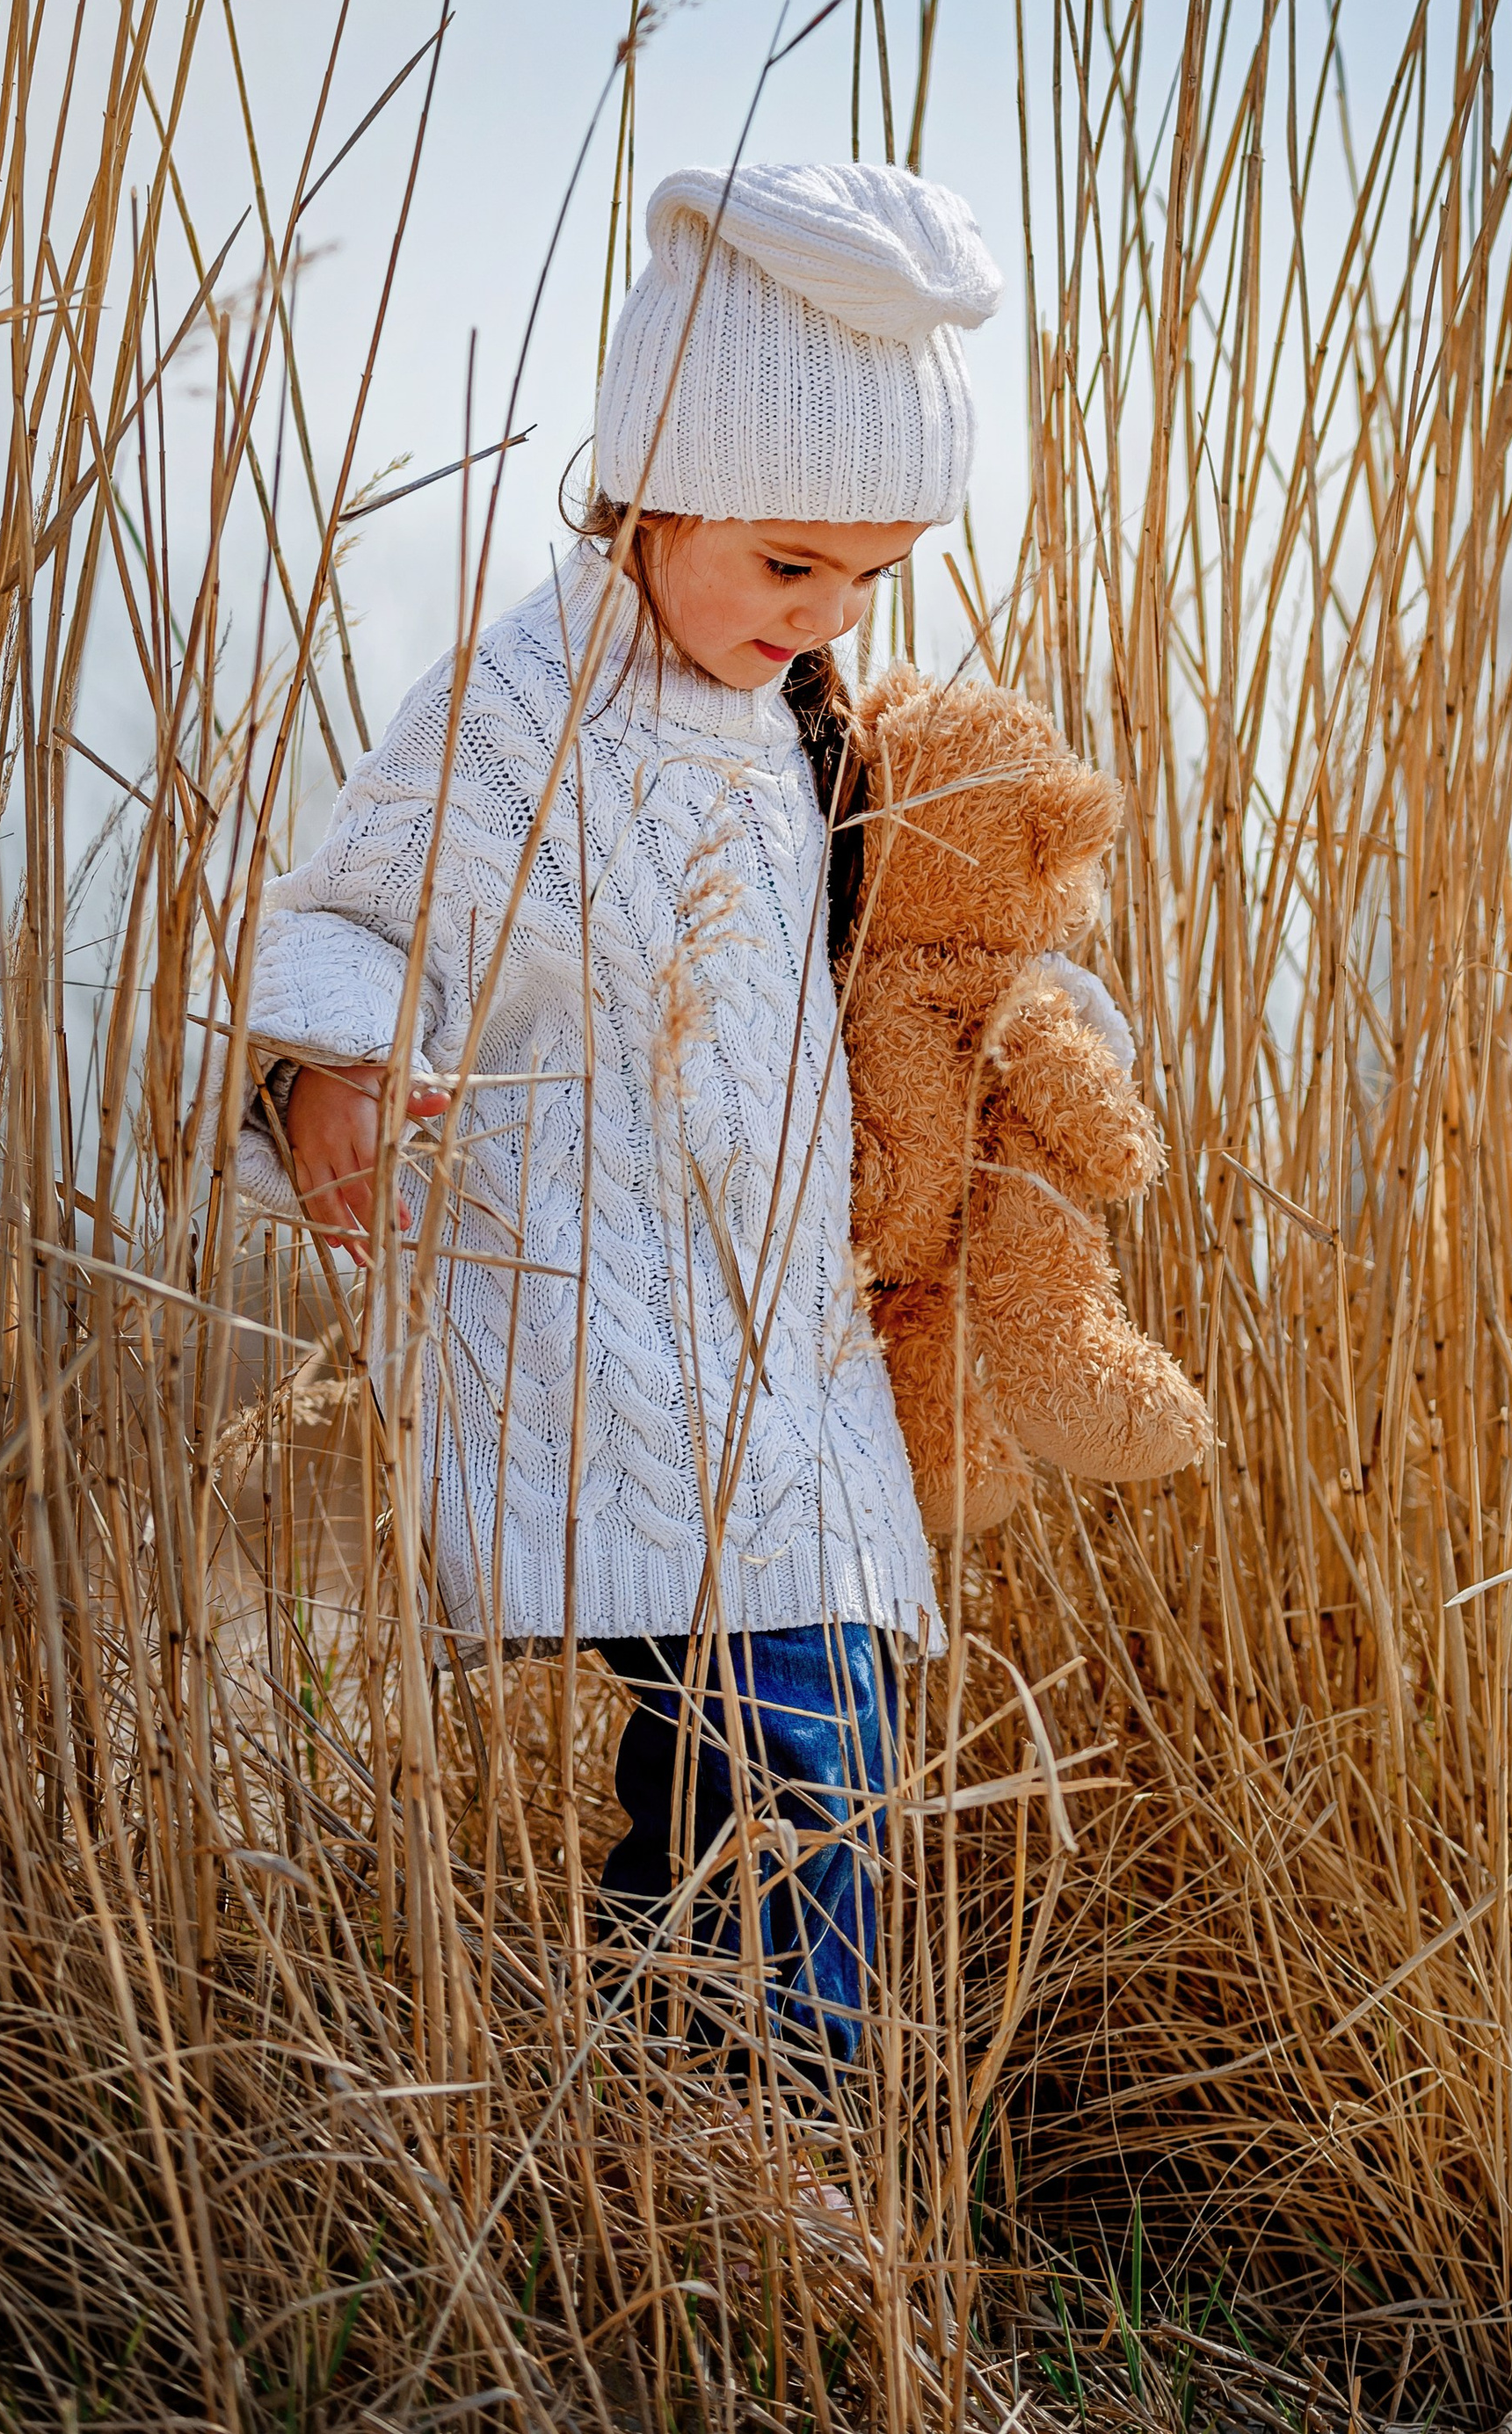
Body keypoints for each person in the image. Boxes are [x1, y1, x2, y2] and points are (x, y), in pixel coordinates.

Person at [225, 157, 1003, 2073]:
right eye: (787, 563)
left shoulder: (803, 717)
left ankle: (672, 2082)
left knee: (782, 1745)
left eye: (869, 576)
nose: (822, 613)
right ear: (653, 489)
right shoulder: (526, 703)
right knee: (793, 1745)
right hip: (615, 1327)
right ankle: (770, 2117)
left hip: (787, 1339)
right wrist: (332, 1069)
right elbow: (358, 910)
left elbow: (900, 943)